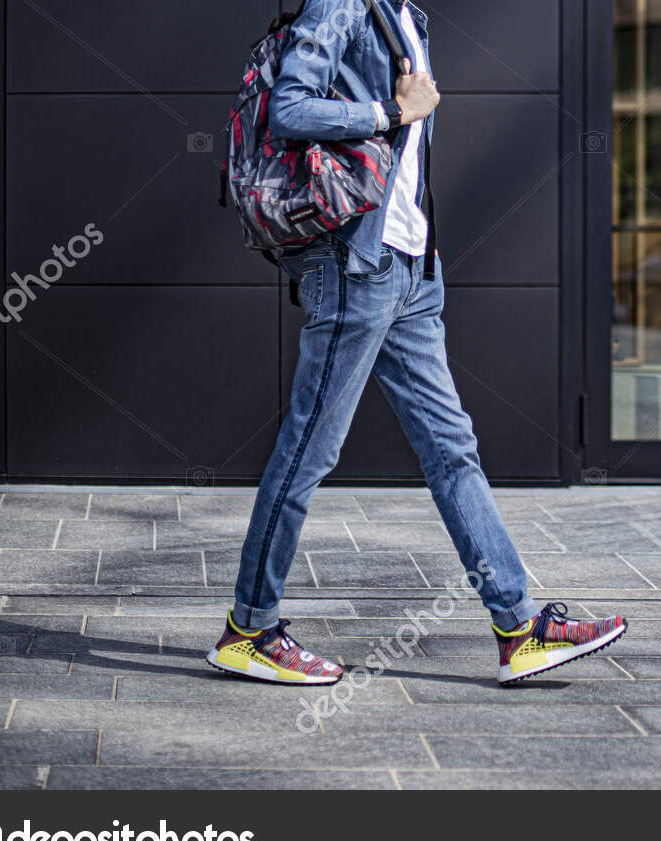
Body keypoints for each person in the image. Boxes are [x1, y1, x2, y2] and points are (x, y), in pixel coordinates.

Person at [205, 0, 624, 687]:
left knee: (452, 449)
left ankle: (517, 628)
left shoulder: (410, 18)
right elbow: (290, 108)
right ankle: (248, 629)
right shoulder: (342, 3)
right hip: (354, 268)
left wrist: (422, 253)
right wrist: (391, 114)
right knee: (311, 449)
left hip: (409, 272)